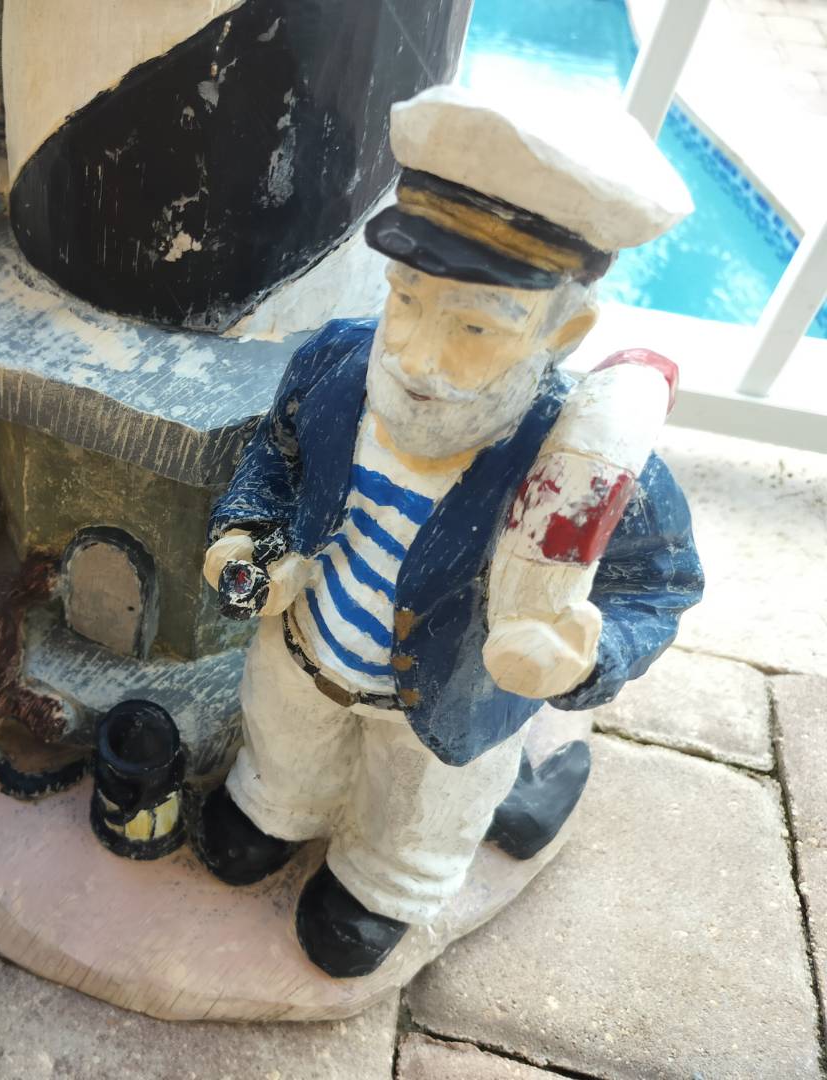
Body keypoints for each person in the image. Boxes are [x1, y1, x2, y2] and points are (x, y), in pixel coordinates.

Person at [196, 85, 704, 978]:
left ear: (565, 329)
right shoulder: (337, 364)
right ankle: (280, 808)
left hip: (442, 707)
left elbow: (657, 586)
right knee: (284, 748)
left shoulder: (587, 472)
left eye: (474, 327)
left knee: (416, 806)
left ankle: (384, 880)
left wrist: (583, 659)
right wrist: (246, 542)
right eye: (407, 300)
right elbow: (276, 457)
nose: (417, 355)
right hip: (306, 647)